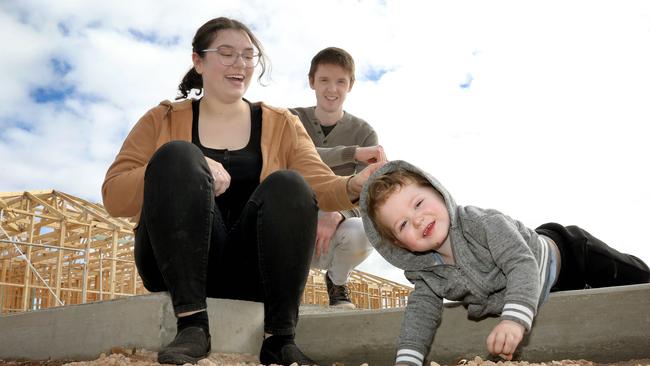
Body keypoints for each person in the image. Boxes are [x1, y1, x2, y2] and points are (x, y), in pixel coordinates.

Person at [102, 17, 383, 366]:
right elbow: (114, 193)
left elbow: (320, 185)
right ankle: (192, 325)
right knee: (177, 154)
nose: (240, 64)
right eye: (227, 53)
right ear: (198, 61)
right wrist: (195, 164)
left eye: (249, 56)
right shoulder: (161, 119)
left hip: (251, 268)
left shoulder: (281, 123)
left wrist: (352, 185)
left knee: (291, 183)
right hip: (173, 261)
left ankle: (280, 339)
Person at [359, 160, 650, 366]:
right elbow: (419, 317)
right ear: (398, 244)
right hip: (548, 290)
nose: (418, 219)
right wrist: (406, 361)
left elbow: (520, 264)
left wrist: (513, 320)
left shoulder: (481, 223)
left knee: (632, 276)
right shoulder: (427, 275)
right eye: (403, 224)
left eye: (419, 203)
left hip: (569, 254)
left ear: (437, 191)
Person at [289, 47, 384, 309]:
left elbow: (369, 191)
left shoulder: (365, 133)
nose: (332, 89)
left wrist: (338, 213)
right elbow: (297, 156)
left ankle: (338, 282)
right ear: (312, 82)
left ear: (350, 85)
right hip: (290, 225)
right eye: (324, 80)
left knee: (365, 230)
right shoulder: (289, 119)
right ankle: (282, 288)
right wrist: (351, 153)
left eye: (341, 81)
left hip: (335, 231)